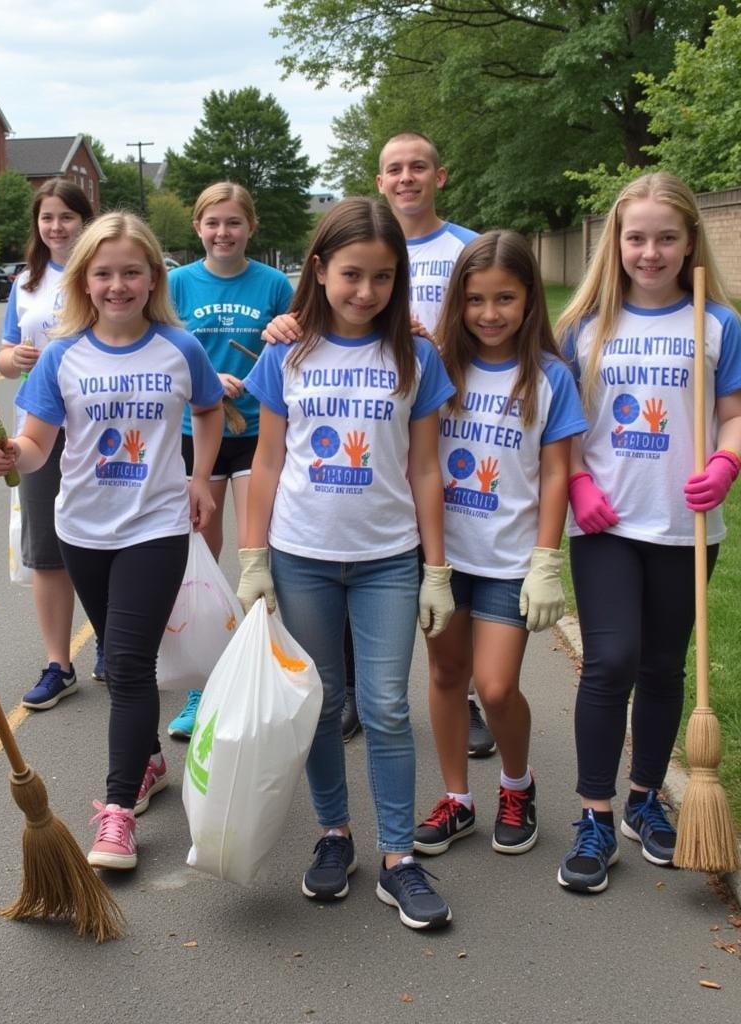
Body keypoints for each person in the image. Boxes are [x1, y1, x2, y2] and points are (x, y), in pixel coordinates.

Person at [237, 197, 457, 930]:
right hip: (301, 560)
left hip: (388, 562)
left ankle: (399, 857)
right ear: (320, 269)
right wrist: (253, 558)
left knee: (388, 707)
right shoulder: (285, 352)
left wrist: (436, 569)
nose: (367, 292)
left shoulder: (415, 356)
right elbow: (266, 463)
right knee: (324, 706)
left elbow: (428, 469)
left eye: (384, 278)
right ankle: (335, 835)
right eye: (352, 275)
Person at [0, 213, 224, 869]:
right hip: (82, 530)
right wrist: (12, 456)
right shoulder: (62, 355)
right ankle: (147, 761)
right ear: (84, 281)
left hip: (156, 527)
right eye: (104, 273)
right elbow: (37, 446)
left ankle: (118, 813)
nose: (117, 285)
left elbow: (209, 410)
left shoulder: (180, 348)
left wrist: (200, 478)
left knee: (124, 666)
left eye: (131, 272)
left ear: (153, 278)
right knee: (125, 663)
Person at [264, 132, 494, 755]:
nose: (407, 177)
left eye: (419, 165)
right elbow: (315, 327)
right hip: (356, 429)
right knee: (336, 563)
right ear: (380, 178)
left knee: (415, 582)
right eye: (394, 168)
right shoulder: (351, 251)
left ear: (439, 176)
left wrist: (430, 346)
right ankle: (345, 701)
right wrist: (288, 323)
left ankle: (454, 692)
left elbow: (494, 315)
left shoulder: (465, 247)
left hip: (440, 415)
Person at [554, 172, 741, 894]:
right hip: (606, 521)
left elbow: (732, 414)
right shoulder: (581, 328)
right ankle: (595, 814)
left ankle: (643, 802)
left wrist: (727, 462)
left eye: (666, 237)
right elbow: (563, 428)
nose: (651, 251)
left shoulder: (718, 324)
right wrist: (575, 481)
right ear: (617, 241)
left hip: (687, 527)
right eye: (637, 237)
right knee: (611, 661)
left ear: (690, 240)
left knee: (664, 667)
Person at [412, 232, 586, 862]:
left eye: (505, 298)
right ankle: (457, 798)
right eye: (476, 299)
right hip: (443, 557)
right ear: (456, 300)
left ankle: (518, 785)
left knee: (495, 686)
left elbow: (557, 473)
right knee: (445, 673)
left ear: (530, 299)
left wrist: (547, 560)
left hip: (510, 562)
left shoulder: (549, 376)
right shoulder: (435, 365)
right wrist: (284, 327)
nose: (489, 313)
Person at [165, 182, 293, 740]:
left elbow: (298, 346)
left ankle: (264, 675)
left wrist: (280, 339)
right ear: (198, 227)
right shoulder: (176, 283)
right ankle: (203, 684)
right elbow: (162, 344)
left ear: (251, 227)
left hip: (260, 430)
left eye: (233, 223)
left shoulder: (274, 283)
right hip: (200, 431)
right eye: (213, 222)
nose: (223, 232)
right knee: (203, 558)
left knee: (256, 554)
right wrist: (205, 380)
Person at [0, 179, 98, 709]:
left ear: (86, 220)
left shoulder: (104, 270)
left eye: (67, 217)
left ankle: (110, 641)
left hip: (102, 424)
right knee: (46, 549)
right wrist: (13, 360)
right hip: (38, 426)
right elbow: (6, 351)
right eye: (47, 218)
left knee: (108, 536)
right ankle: (59, 663)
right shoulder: (26, 282)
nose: (56, 227)